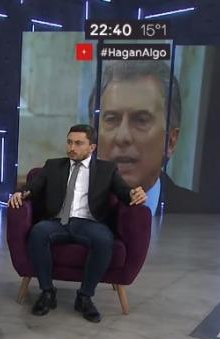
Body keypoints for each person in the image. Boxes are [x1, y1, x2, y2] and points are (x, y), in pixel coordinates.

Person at [8, 124, 147, 323]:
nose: (72, 147)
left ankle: (84, 297)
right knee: (38, 232)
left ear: (92, 147)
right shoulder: (53, 166)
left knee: (103, 240)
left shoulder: (107, 170)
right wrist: (21, 193)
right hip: (58, 221)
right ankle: (47, 292)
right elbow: (33, 187)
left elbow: (124, 192)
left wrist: (134, 194)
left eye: (78, 143)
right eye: (69, 142)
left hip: (89, 223)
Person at [89, 60, 200, 214]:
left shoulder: (205, 216)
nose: (122, 137)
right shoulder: (63, 206)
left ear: (170, 141)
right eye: (111, 119)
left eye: (141, 120)